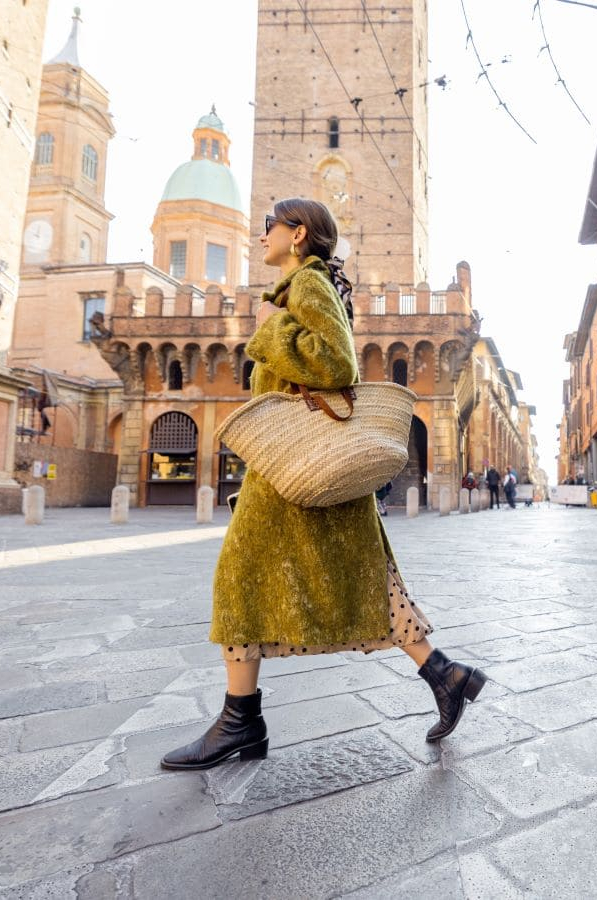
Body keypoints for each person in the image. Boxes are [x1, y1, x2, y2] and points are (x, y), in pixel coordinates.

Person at [161, 198, 487, 771]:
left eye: (270, 227)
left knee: (238, 579)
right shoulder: (301, 289)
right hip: (299, 468)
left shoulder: (307, 287)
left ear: (299, 233)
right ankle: (446, 675)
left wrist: (266, 340)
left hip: (299, 470)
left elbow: (337, 367)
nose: (261, 235)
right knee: (366, 581)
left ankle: (241, 721)